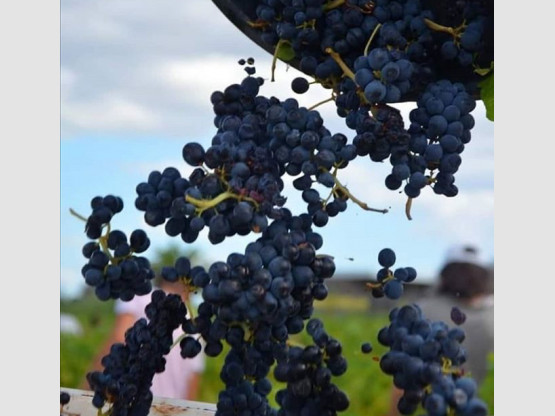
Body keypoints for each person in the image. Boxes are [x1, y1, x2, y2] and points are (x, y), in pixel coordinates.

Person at [387, 244, 494, 415]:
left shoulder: (422, 310)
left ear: (446, 274)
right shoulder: (493, 316)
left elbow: (405, 379)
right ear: (484, 277)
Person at [84, 279, 206, 401]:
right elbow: (192, 384)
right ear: (188, 292)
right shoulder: (194, 329)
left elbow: (119, 342)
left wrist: (85, 392)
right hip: (169, 411)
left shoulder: (139, 295)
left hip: (128, 405)